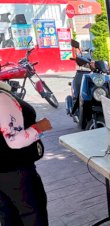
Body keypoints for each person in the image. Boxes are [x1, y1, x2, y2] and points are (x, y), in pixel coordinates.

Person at [0, 81, 52, 226]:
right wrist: (39, 127)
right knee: (32, 214)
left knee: (9, 215)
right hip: (16, 172)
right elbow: (15, 140)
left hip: (6, 172)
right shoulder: (2, 99)